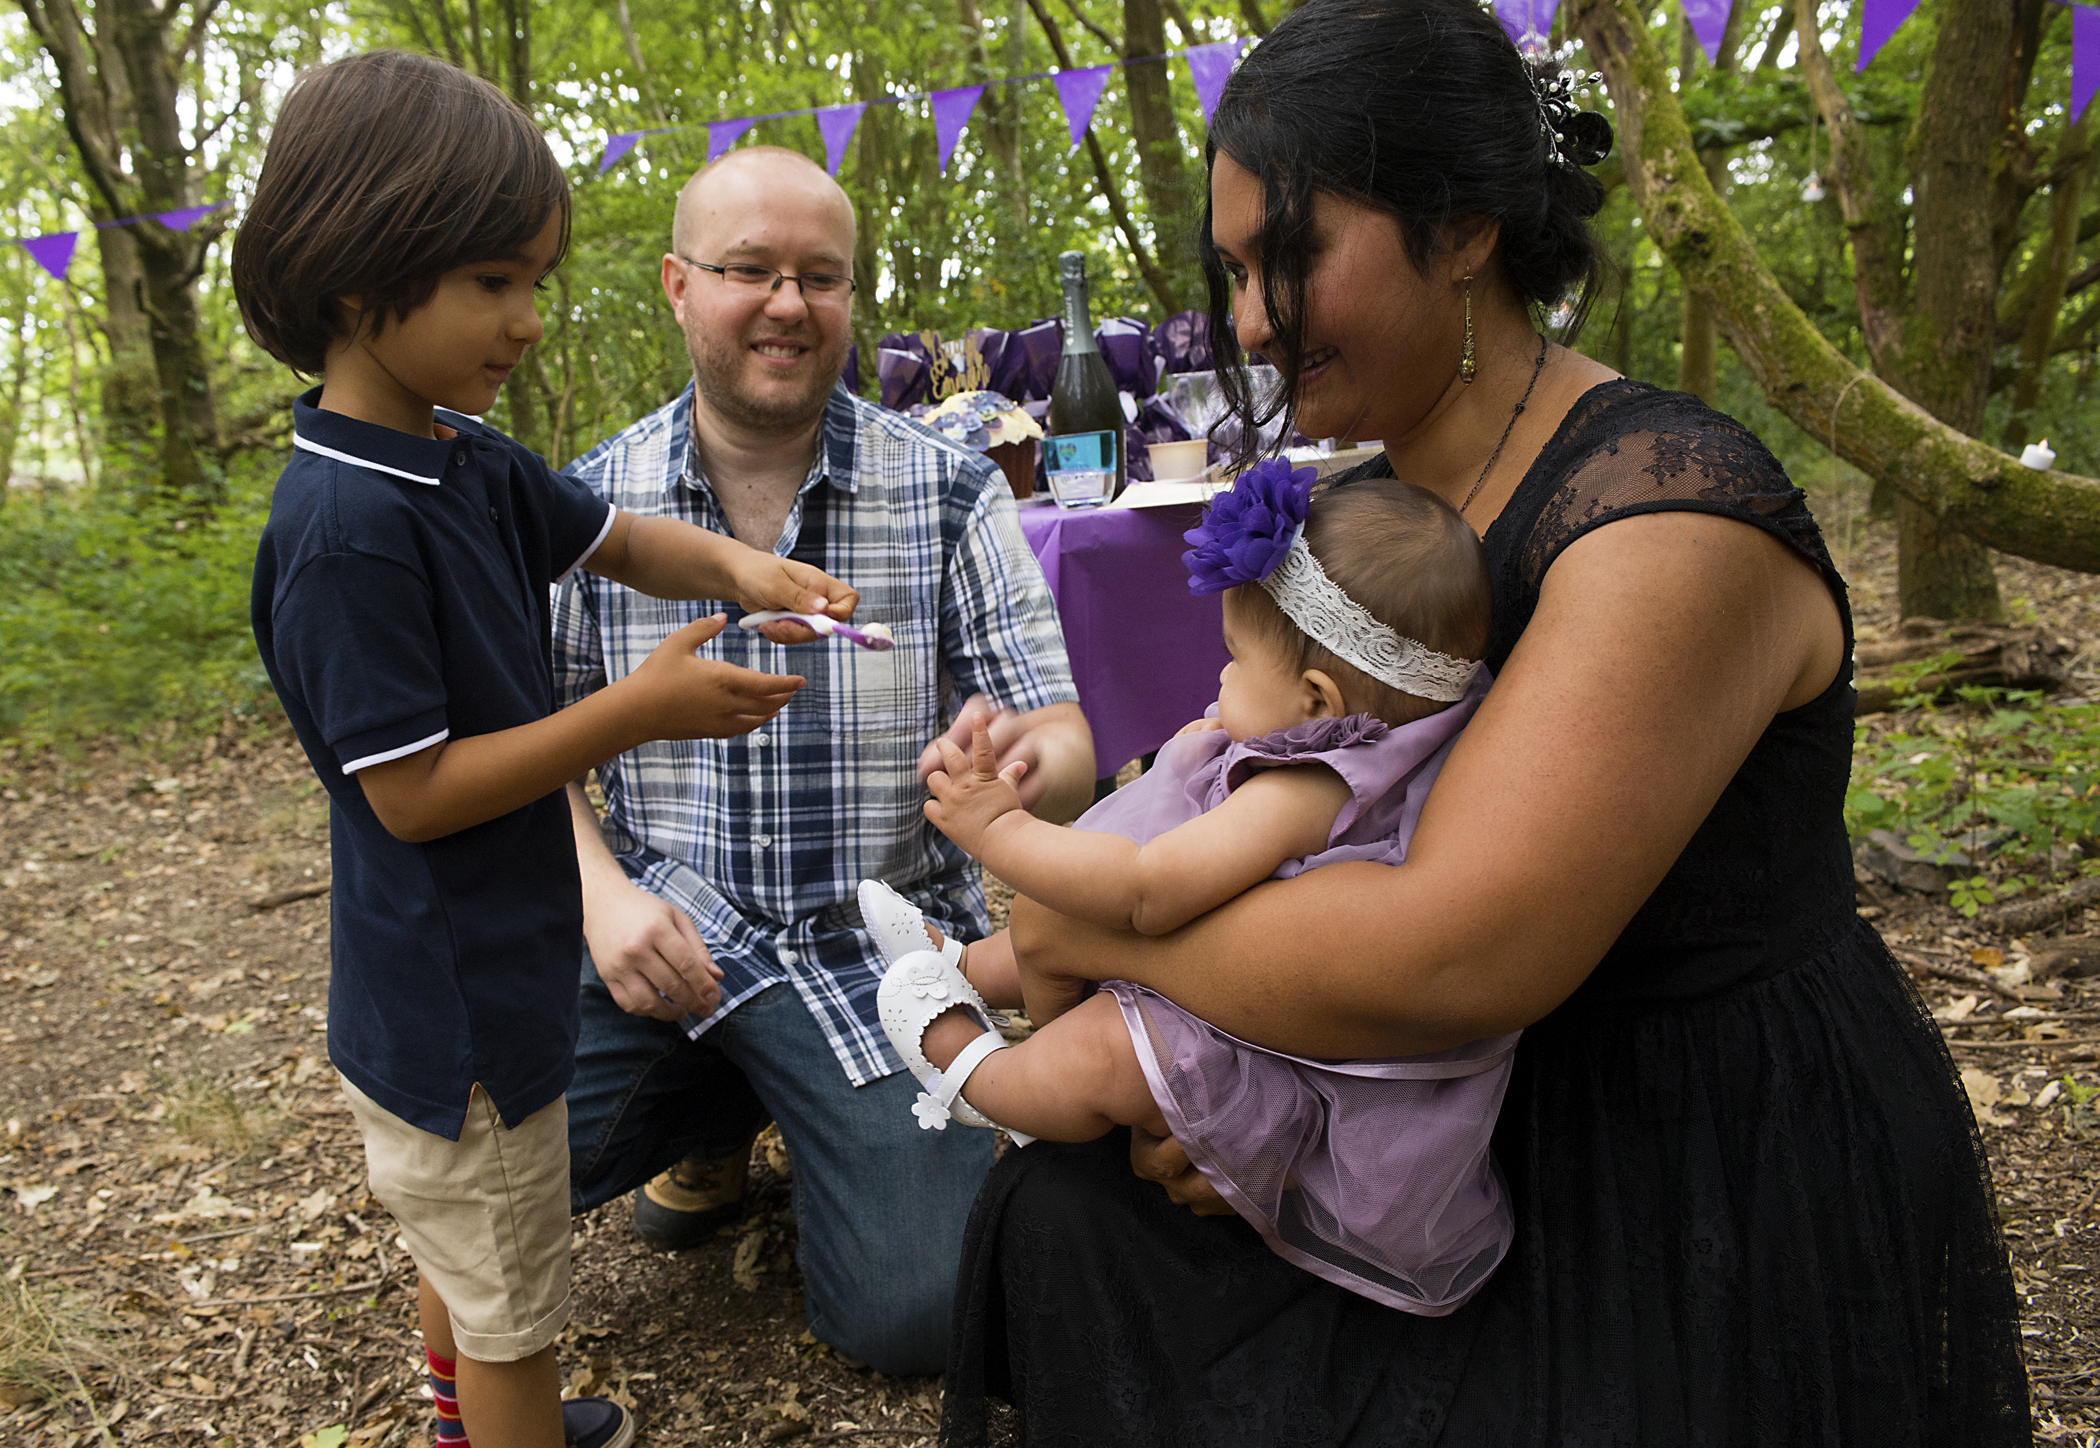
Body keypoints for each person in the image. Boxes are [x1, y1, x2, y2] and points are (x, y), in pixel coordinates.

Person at [938, 0, 2033, 1443]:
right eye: (1236, 271)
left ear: (1462, 228)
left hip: (1672, 1164)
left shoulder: (1666, 518)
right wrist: (1247, 1104)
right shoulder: (1379, 509)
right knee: (1066, 1211)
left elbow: (1449, 955)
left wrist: (1089, 927)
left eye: (1289, 257)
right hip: (1422, 1110)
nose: (1252, 320)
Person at [237, 55, 861, 1448]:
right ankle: (501, 1424)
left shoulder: (459, 453)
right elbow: (413, 796)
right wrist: (634, 710)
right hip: (449, 1000)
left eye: (534, 280)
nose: (525, 319)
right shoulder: (346, 531)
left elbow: (618, 539)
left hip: (501, 967)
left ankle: (467, 1423)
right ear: (356, 275)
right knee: (514, 1313)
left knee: (470, 1259)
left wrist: (745, 569)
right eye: (491, 282)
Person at [554, 145, 1092, 1376]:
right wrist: (599, 898)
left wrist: (1022, 763)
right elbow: (531, 749)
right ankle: (731, 1095)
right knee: (478, 1157)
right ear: (678, 285)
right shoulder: (592, 506)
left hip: (877, 945)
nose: (789, 303)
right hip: (668, 935)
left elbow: (1064, 739)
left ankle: (795, 1101)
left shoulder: (949, 490)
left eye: (821, 276)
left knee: (925, 1312)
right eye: (750, 270)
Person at [864, 468, 1516, 1317]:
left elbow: (1148, 894)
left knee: (1102, 1046)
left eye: (1235, 659)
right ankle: (963, 963)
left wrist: (1000, 833)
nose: (1221, 674)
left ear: (1318, 702)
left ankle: (985, 1079)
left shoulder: (1304, 791)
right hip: (1261, 978)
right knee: (1092, 889)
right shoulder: (1388, 732)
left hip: (1274, 1051)